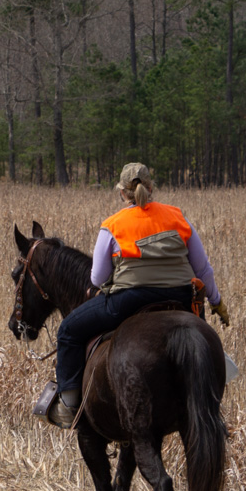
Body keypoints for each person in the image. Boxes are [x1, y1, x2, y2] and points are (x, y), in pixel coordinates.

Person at [51, 163, 229, 427]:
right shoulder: (178, 217)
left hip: (128, 301)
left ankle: (68, 406)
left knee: (67, 330)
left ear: (123, 193)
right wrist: (217, 302)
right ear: (151, 188)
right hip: (179, 299)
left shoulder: (112, 225)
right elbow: (203, 269)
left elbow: (97, 278)